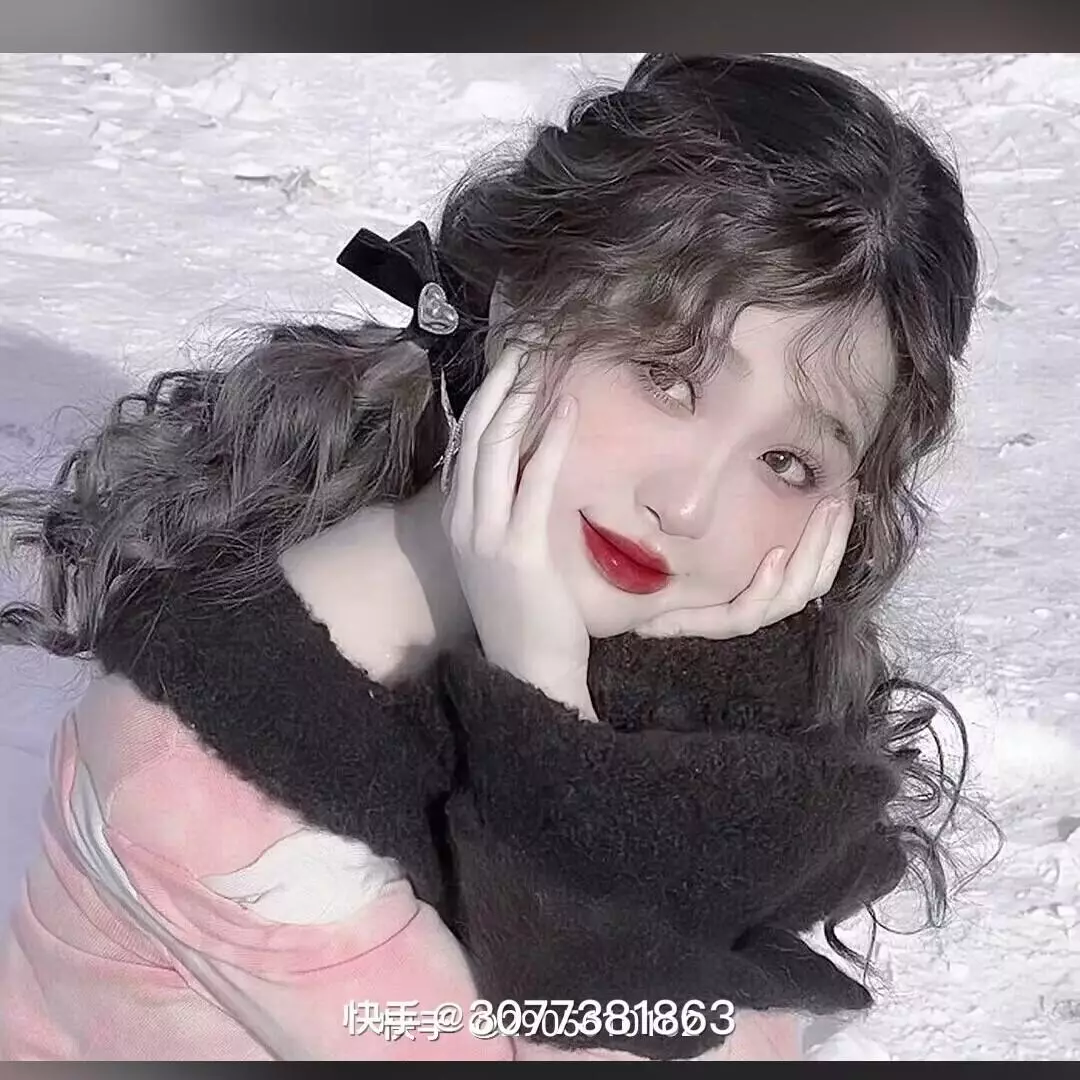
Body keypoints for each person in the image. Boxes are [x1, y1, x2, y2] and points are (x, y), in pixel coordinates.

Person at [0, 52, 981, 1061]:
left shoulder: (613, 621)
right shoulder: (210, 782)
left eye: (786, 461)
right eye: (668, 374)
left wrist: (714, 680)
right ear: (521, 304)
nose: (687, 505)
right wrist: (548, 714)